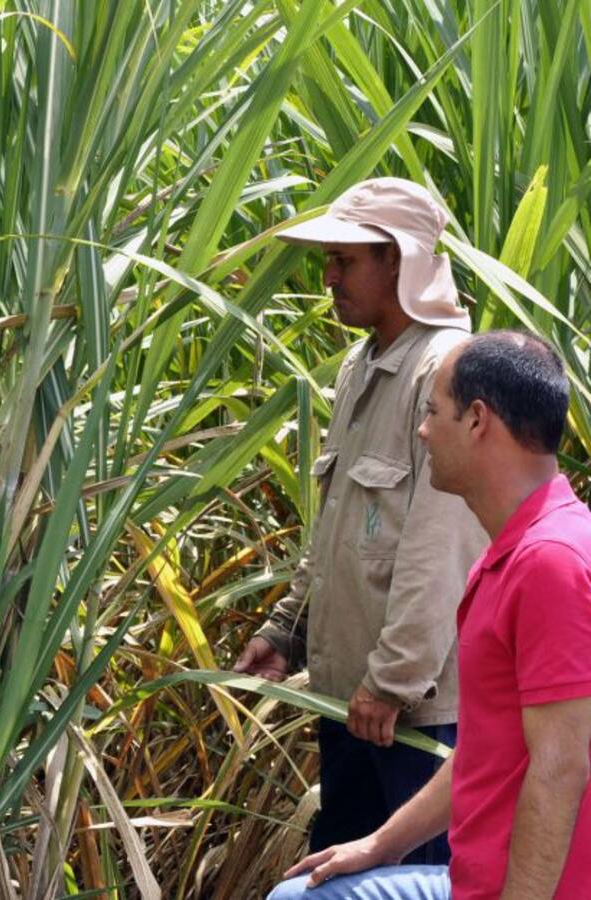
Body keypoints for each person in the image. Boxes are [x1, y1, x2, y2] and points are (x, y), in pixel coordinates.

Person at [268, 331, 591, 899]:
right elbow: (487, 750)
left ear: (477, 421)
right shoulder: (507, 555)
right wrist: (380, 845)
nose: (421, 431)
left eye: (432, 412)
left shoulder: (552, 563)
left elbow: (562, 767)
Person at [234, 178, 487, 862]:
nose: (329, 277)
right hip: (353, 700)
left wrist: (395, 681)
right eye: (329, 261)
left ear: (399, 262)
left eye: (345, 261)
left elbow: (443, 546)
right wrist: (289, 628)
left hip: (416, 714)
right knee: (341, 874)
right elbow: (341, 522)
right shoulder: (361, 364)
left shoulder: (449, 371)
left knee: (414, 880)